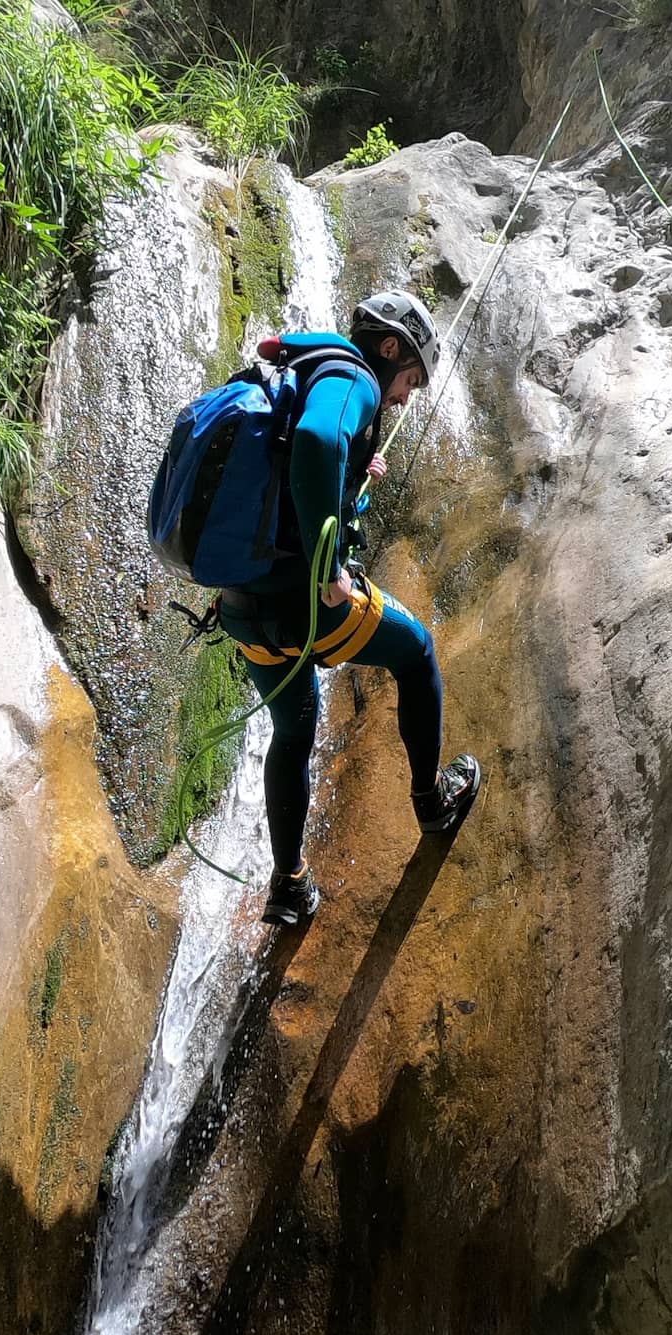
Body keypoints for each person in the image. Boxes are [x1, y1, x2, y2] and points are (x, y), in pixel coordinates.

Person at [214, 290, 481, 924]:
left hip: (246, 608)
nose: (406, 397)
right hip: (308, 606)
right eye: (410, 380)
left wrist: (358, 468)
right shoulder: (352, 374)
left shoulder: (301, 372)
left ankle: (290, 885)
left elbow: (309, 451)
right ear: (389, 349)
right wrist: (329, 567)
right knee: (417, 653)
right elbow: (313, 439)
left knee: (294, 728)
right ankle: (431, 801)